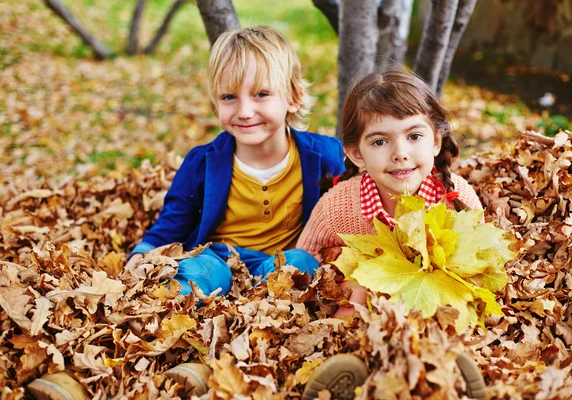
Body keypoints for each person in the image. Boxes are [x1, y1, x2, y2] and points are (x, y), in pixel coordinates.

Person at [26, 25, 344, 400]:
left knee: (302, 264)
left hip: (276, 272)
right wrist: (141, 259)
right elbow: (170, 227)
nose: (244, 111)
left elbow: (345, 213)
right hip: (217, 263)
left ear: (293, 96)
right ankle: (96, 372)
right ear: (215, 103)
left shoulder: (325, 156)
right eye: (229, 97)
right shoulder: (203, 163)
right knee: (197, 273)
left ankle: (273, 364)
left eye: (261, 94)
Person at [296, 69, 486, 400]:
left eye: (414, 136)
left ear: (436, 141)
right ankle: (346, 368)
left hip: (428, 306)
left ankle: (447, 372)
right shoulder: (339, 206)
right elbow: (303, 262)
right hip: (360, 312)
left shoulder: (455, 198)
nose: (399, 153)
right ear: (356, 154)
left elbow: (482, 258)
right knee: (359, 286)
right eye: (380, 141)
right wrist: (338, 279)